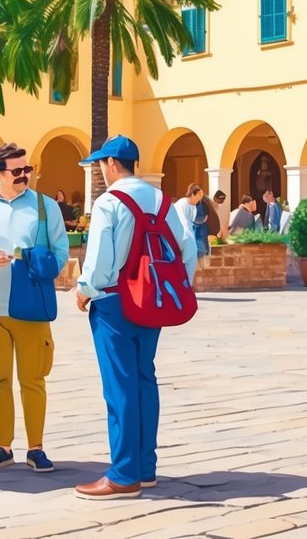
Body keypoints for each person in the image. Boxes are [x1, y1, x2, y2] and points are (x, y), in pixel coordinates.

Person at [73, 136, 188, 499]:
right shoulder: (164, 200)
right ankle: (145, 467)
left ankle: (123, 474)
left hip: (113, 304)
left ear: (110, 164)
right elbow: (186, 251)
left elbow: (101, 259)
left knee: (119, 387)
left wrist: (84, 289)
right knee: (143, 380)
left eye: (100, 165)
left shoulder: (109, 202)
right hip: (152, 301)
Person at [0, 142, 69, 473]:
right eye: (17, 171)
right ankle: (2, 446)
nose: (24, 176)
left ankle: (36, 448)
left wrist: (39, 263)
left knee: (33, 379)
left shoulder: (45, 206)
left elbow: (61, 253)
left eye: (27, 169)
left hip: (32, 304)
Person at [171, 183, 208, 276]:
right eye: (199, 194)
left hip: (189, 236)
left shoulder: (195, 206)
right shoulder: (182, 203)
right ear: (194, 193)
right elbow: (183, 223)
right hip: (182, 236)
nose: (201, 197)